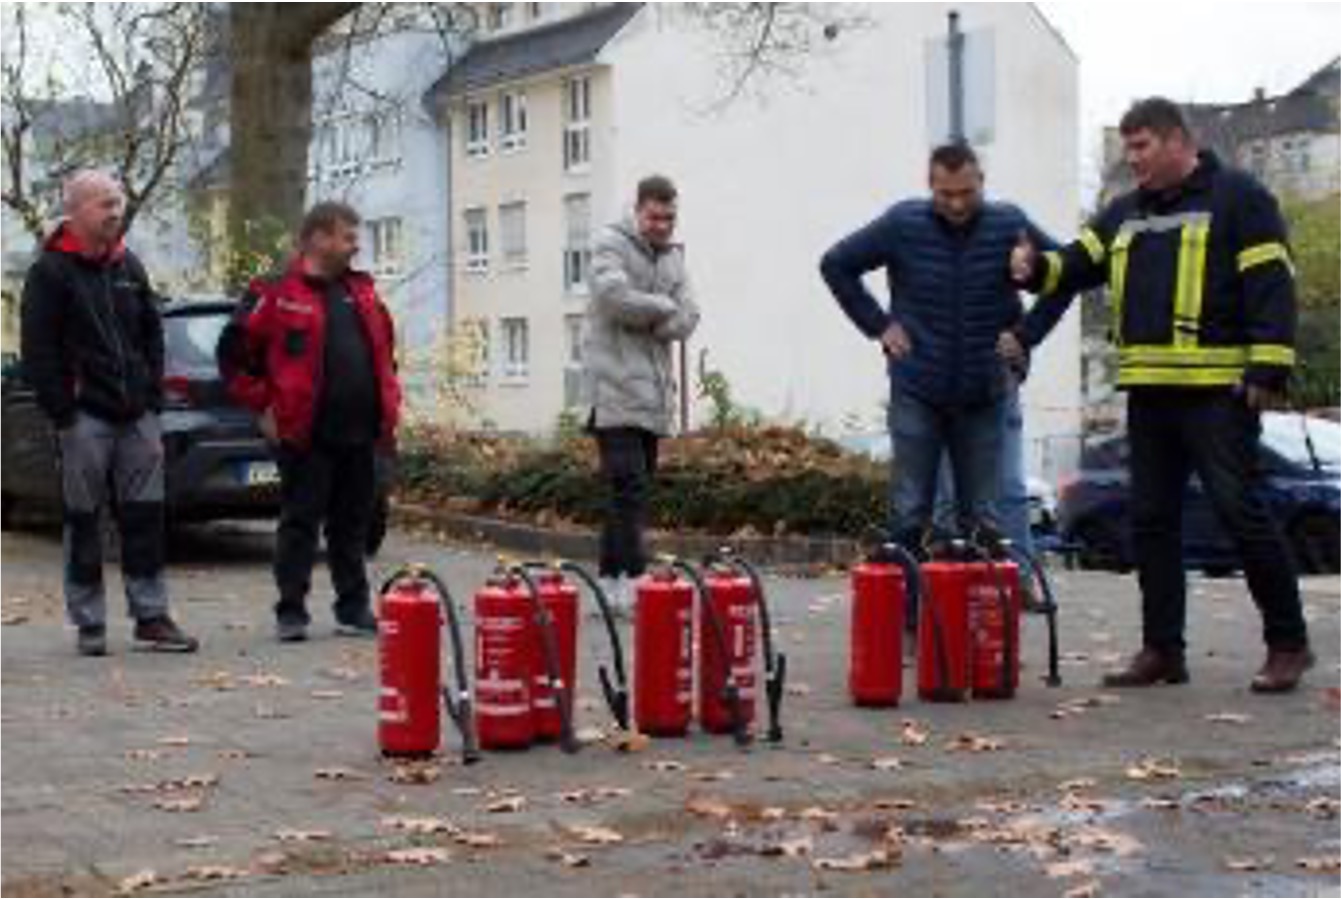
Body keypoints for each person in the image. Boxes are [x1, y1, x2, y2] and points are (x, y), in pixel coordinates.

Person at [1001, 97, 1313, 693]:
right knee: (1152, 523)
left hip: (1218, 395)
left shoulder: (1240, 198)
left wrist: (1268, 370)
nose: (1133, 159)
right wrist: (1033, 268)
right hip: (1151, 394)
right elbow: (1075, 263)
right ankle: (1162, 651)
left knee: (1240, 514)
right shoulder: (1125, 212)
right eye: (1128, 148)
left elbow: (1273, 284)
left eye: (1141, 147)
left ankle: (1288, 645)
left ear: (1177, 141)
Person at [820, 143, 1057, 554]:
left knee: (983, 519)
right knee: (909, 512)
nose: (957, 204)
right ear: (930, 186)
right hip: (917, 387)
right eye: (946, 194)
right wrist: (879, 325)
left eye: (966, 193)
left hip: (985, 390)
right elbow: (836, 264)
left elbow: (1067, 273)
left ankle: (978, 613)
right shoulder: (902, 224)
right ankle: (910, 614)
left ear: (981, 182)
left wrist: (1026, 334)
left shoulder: (1009, 225)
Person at [20, 170, 198, 656]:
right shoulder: (50, 273)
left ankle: (151, 616)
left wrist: (153, 403)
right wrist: (64, 412)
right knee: (84, 519)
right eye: (104, 204)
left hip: (137, 416)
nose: (115, 212)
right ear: (74, 211)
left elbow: (151, 335)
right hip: (84, 419)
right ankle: (90, 622)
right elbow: (38, 351)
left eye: (117, 202)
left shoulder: (128, 266)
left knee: (146, 518)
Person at [217, 202, 401, 643]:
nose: (356, 245)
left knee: (353, 524)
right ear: (318, 238)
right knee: (301, 521)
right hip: (305, 432)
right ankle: (291, 610)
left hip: (362, 431)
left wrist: (388, 412)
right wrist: (265, 407)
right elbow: (234, 357)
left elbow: (385, 355)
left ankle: (352, 608)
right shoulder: (275, 291)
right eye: (347, 236)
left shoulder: (363, 292)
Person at [584, 175, 700, 610]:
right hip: (613, 390)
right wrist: (663, 308)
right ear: (638, 211)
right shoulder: (610, 245)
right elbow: (613, 297)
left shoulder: (671, 259)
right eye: (654, 216)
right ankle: (631, 575)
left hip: (652, 396)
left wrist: (655, 315)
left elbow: (690, 314)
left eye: (669, 218)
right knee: (627, 488)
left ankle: (610, 580)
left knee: (631, 491)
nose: (662, 225)